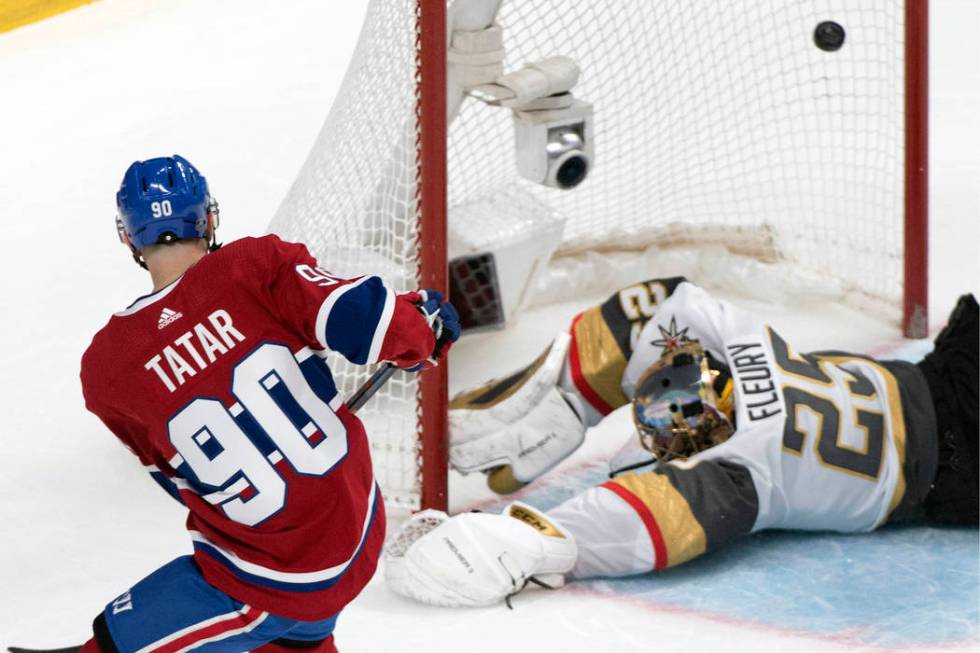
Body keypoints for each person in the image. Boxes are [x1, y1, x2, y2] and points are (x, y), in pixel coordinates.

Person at [385, 278, 977, 607]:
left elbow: (648, 520)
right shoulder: (750, 346)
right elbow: (665, 301)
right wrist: (581, 389)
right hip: (946, 376)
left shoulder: (746, 471)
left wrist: (530, 541)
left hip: (955, 463)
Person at [77, 155, 459, 651]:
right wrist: (422, 329)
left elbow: (180, 479)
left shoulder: (106, 372)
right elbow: (369, 321)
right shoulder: (254, 266)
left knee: (111, 641)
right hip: (358, 527)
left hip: (269, 575)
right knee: (298, 635)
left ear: (129, 238)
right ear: (208, 219)